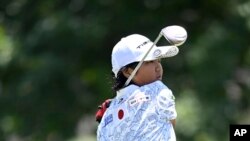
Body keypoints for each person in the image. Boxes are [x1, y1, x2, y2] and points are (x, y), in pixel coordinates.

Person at [96, 34, 179, 141]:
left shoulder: (105, 117)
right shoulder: (159, 90)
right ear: (128, 71)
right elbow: (171, 127)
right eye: (149, 62)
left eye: (158, 61)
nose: (158, 68)